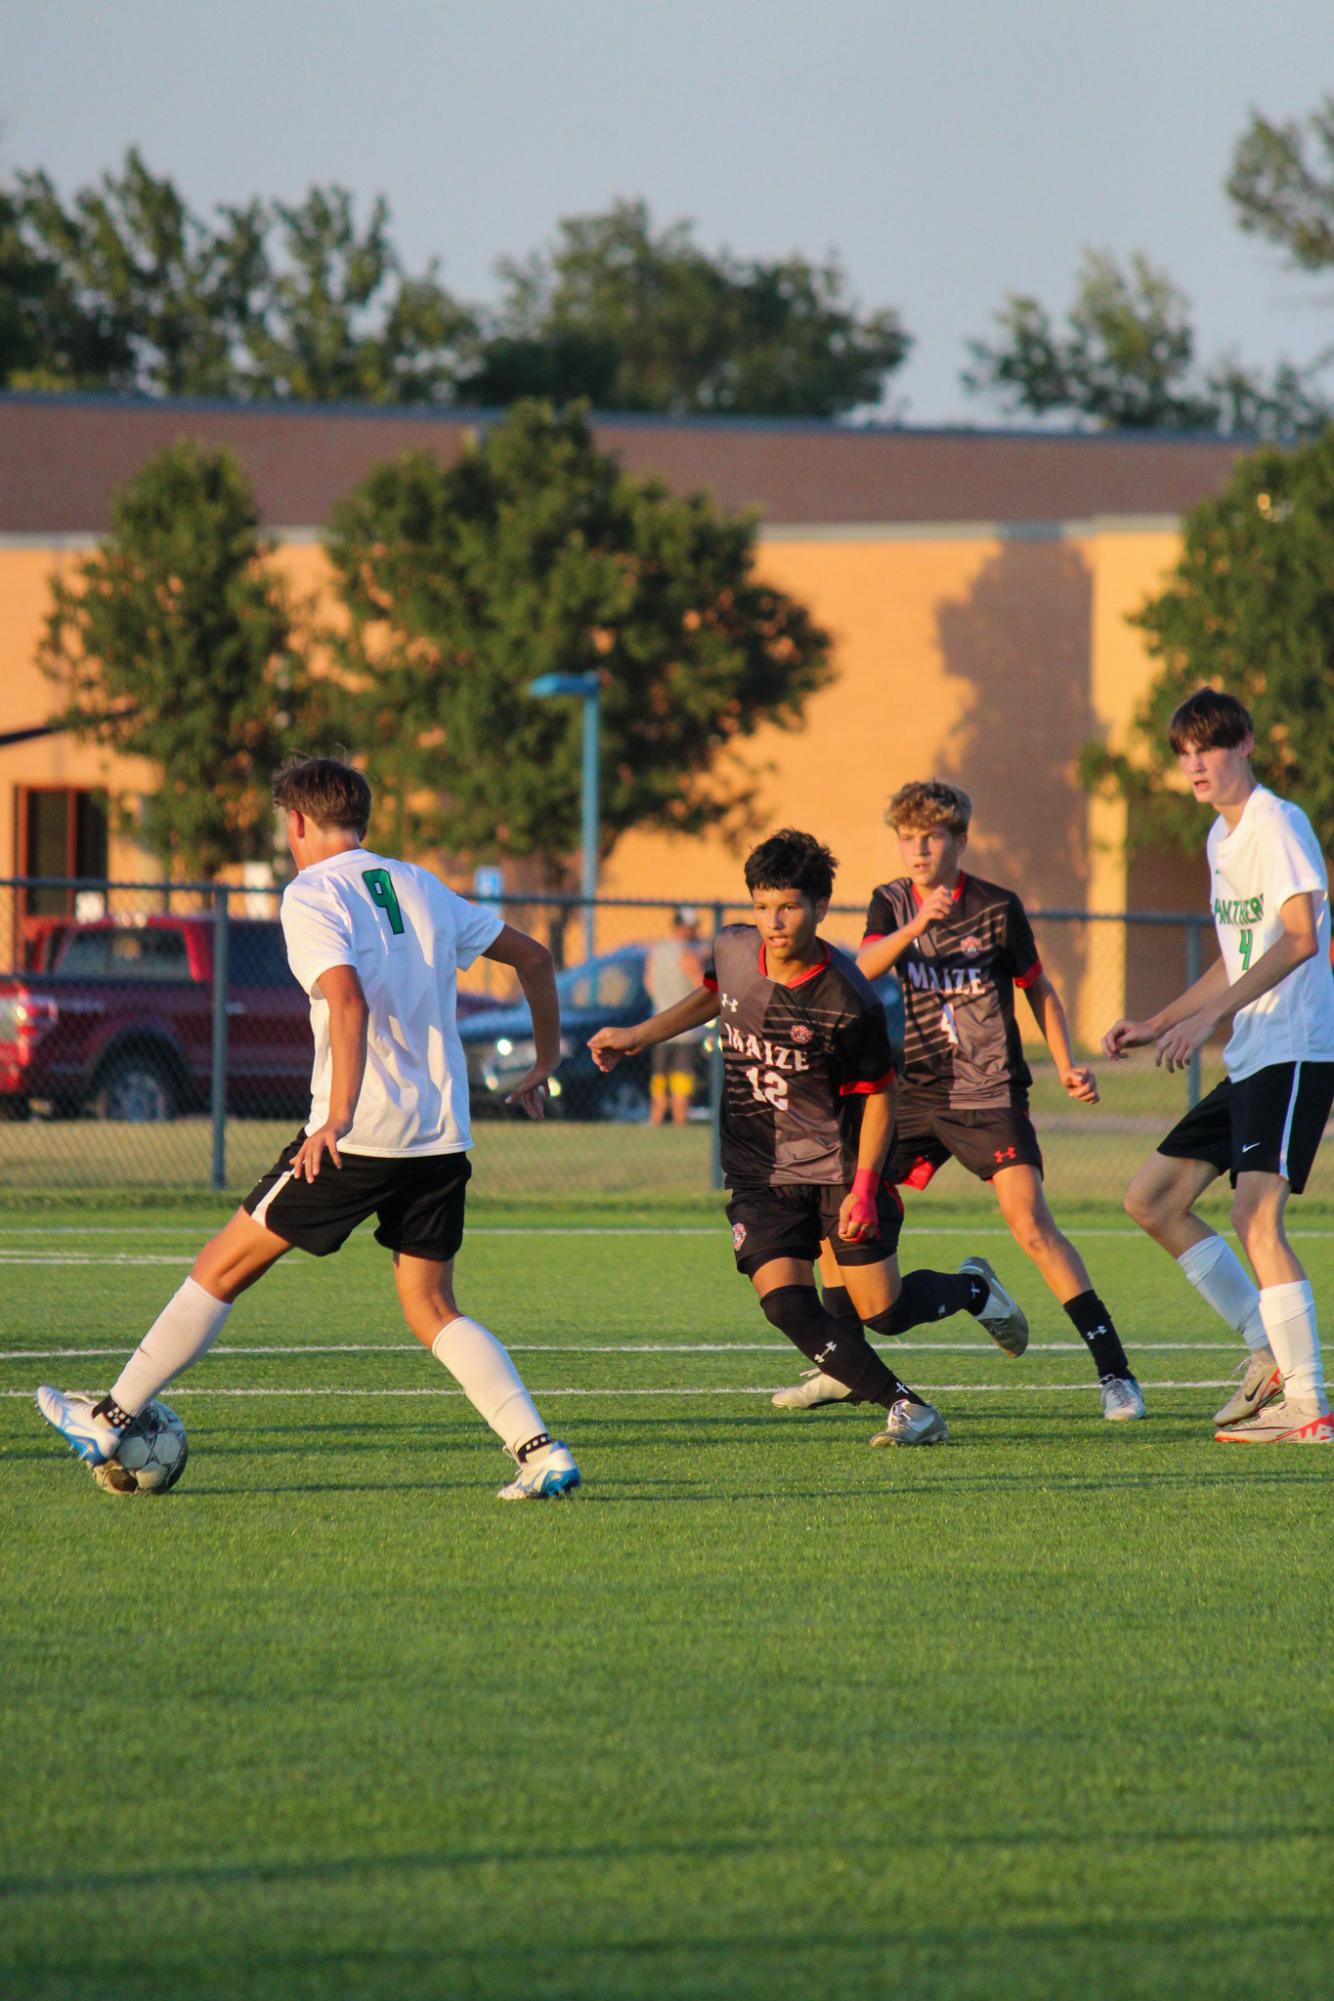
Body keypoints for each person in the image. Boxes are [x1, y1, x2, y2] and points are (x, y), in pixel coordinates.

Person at [36, 755, 581, 1500]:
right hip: (439, 1135)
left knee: (222, 1268)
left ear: (294, 820)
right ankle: (539, 1449)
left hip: (354, 1136)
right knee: (432, 1308)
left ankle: (110, 1413)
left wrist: (338, 1116)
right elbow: (535, 956)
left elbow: (347, 1001)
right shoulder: (420, 884)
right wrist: (545, 1058)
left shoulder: (312, 893)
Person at [589, 828, 1029, 1450]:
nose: (773, 921)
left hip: (839, 1172)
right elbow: (715, 994)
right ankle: (910, 1409)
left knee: (884, 1312)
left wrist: (865, 1190)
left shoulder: (848, 1000)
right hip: (758, 1170)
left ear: (821, 908)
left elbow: (880, 1094)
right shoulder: (735, 948)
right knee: (785, 1304)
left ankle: (971, 1289)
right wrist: (639, 1034)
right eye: (763, 904)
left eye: (789, 906)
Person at [849, 779, 1144, 1421]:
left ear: (959, 839)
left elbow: (1039, 990)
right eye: (907, 838)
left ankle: (1116, 1374)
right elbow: (863, 967)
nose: (918, 849)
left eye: (931, 837)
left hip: (990, 1092)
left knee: (1031, 1223)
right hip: (919, 1092)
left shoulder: (996, 907)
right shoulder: (891, 902)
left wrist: (1067, 1066)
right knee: (847, 1198)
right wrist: (915, 927)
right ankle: (842, 1358)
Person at [1105, 688, 1334, 1444]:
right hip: (1253, 1051)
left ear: (1244, 747)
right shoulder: (1219, 836)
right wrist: (1161, 1020)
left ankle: (1308, 1405)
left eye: (1208, 745)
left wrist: (1211, 1018)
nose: (1194, 761)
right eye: (1184, 750)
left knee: (1254, 1214)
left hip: (1295, 1045)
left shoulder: (1277, 821)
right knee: (1153, 1198)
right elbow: (1237, 953)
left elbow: (1300, 936)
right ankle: (1266, 1347)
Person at [644, 907, 706, 1126]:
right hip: (687, 1029)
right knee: (682, 1078)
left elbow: (649, 983)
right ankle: (680, 1121)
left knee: (659, 1078)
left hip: (660, 1025)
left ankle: (657, 1119)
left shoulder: (657, 950)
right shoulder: (689, 953)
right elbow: (702, 986)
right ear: (687, 928)